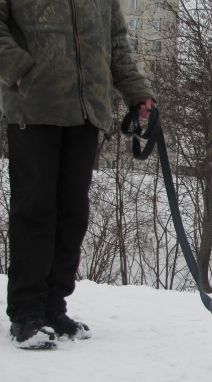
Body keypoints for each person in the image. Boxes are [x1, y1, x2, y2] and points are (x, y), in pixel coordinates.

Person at [0, 0, 155, 349]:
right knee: (35, 211)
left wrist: (136, 91)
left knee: (72, 215)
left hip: (86, 110)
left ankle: (53, 307)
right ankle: (26, 312)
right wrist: (18, 68)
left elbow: (116, 41)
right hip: (35, 107)